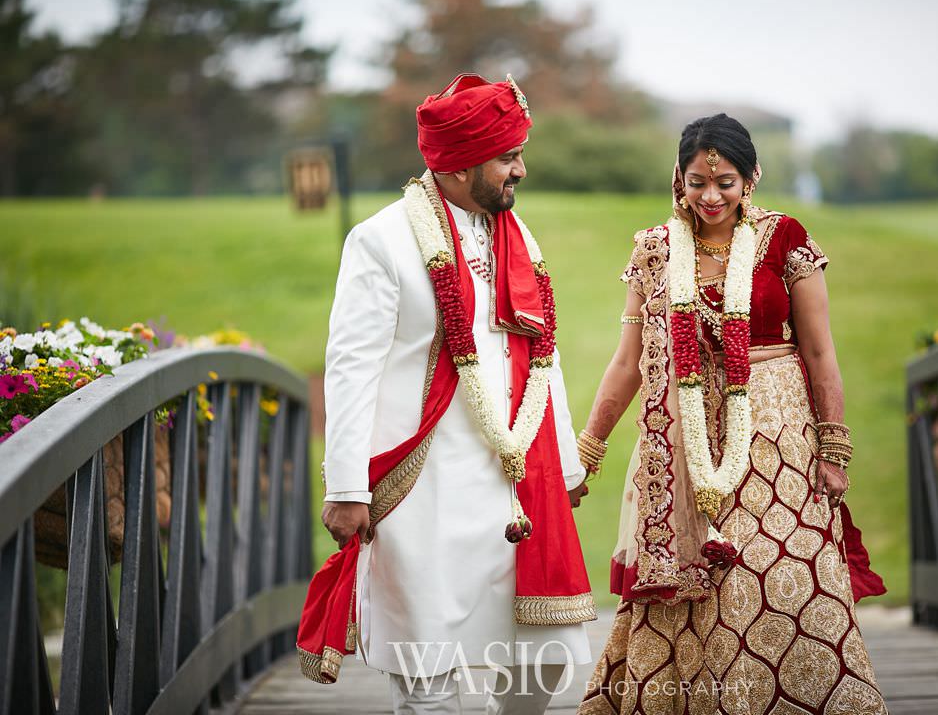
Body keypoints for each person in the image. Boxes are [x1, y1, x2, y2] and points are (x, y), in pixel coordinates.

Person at [299, 73, 595, 715]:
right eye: (507, 157)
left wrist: (566, 462)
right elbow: (350, 368)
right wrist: (347, 488)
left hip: (513, 487)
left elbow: (544, 356)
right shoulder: (382, 242)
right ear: (461, 167)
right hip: (422, 492)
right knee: (427, 672)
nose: (520, 168)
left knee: (538, 665)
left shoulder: (518, 236)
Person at [575, 114, 889, 715]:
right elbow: (627, 361)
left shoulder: (785, 239)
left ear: (751, 179)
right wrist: (588, 448)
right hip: (683, 437)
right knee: (699, 587)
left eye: (725, 183)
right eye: (697, 182)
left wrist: (833, 448)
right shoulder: (656, 250)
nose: (711, 197)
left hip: (777, 434)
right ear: (679, 179)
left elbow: (819, 349)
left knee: (780, 576)